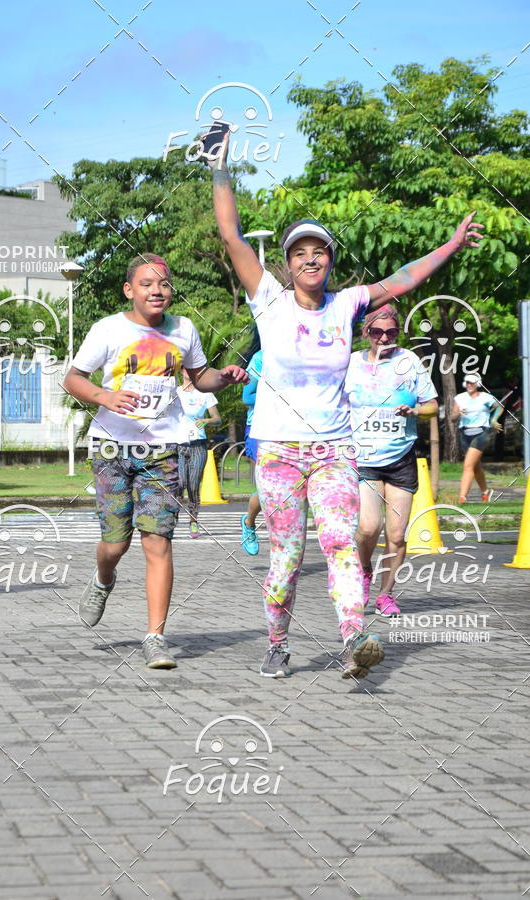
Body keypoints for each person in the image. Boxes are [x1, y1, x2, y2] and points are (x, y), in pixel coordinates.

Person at [208, 133, 484, 679]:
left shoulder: (348, 303)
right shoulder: (269, 299)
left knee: (340, 542)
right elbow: (230, 233)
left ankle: (355, 635)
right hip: (281, 452)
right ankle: (277, 642)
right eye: (299, 253)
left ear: (331, 262)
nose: (310, 259)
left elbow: (404, 277)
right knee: (286, 557)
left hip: (334, 450)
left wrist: (450, 247)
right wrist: (220, 166)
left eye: (320, 251)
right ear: (286, 267)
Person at [63, 254, 247, 669]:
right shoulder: (108, 329)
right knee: (116, 543)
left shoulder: (184, 330)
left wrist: (224, 376)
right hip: (111, 447)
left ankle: (155, 636)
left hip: (164, 449)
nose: (157, 290)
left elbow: (201, 378)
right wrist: (106, 397)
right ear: (130, 290)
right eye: (147, 283)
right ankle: (103, 578)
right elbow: (72, 378)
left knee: (158, 540)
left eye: (163, 283)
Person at [345, 305, 438, 617]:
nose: (384, 338)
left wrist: (415, 412)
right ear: (365, 332)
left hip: (401, 457)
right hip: (364, 457)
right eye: (377, 332)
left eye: (391, 332)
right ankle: (363, 569)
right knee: (369, 527)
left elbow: (433, 405)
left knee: (397, 535)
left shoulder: (408, 361)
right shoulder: (351, 363)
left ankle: (385, 595)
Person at [176, 366, 221, 537]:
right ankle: (172, 519)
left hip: (198, 445)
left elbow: (217, 419)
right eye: (185, 368)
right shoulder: (175, 392)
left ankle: (193, 522)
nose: (188, 371)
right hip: (178, 444)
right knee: (178, 483)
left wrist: (206, 420)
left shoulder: (205, 393)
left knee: (193, 485)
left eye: (191, 369)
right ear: (181, 371)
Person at [452, 374, 502, 503]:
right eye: (467, 382)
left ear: (478, 384)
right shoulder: (459, 398)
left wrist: (494, 419)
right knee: (475, 466)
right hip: (465, 434)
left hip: (481, 433)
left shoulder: (486, 398)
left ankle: (462, 498)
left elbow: (499, 407)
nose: (469, 385)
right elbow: (452, 417)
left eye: (472, 383)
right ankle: (486, 492)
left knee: (468, 465)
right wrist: (458, 413)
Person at [240, 346, 263, 555]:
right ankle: (249, 522)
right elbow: (247, 397)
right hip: (261, 428)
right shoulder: (260, 358)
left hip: (296, 431)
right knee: (267, 489)